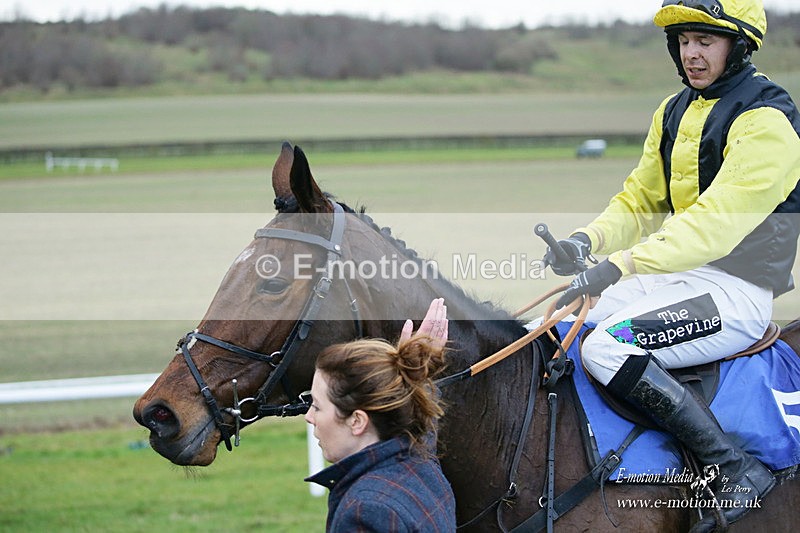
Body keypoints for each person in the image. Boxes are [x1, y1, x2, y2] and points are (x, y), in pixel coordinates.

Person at [543, 1, 800, 530]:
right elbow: (640, 200)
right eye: (684, 40)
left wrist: (620, 265)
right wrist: (584, 240)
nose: (692, 53)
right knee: (558, 326)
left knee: (609, 346)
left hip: (736, 294)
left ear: (739, 46)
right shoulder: (675, 109)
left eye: (706, 40)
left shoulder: (768, 122)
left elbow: (713, 224)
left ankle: (731, 468)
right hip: (675, 277)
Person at [304, 298, 456, 532]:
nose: (308, 417)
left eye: (316, 406)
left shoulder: (366, 513)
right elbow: (423, 430)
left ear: (357, 421)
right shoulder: (422, 463)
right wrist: (412, 373)